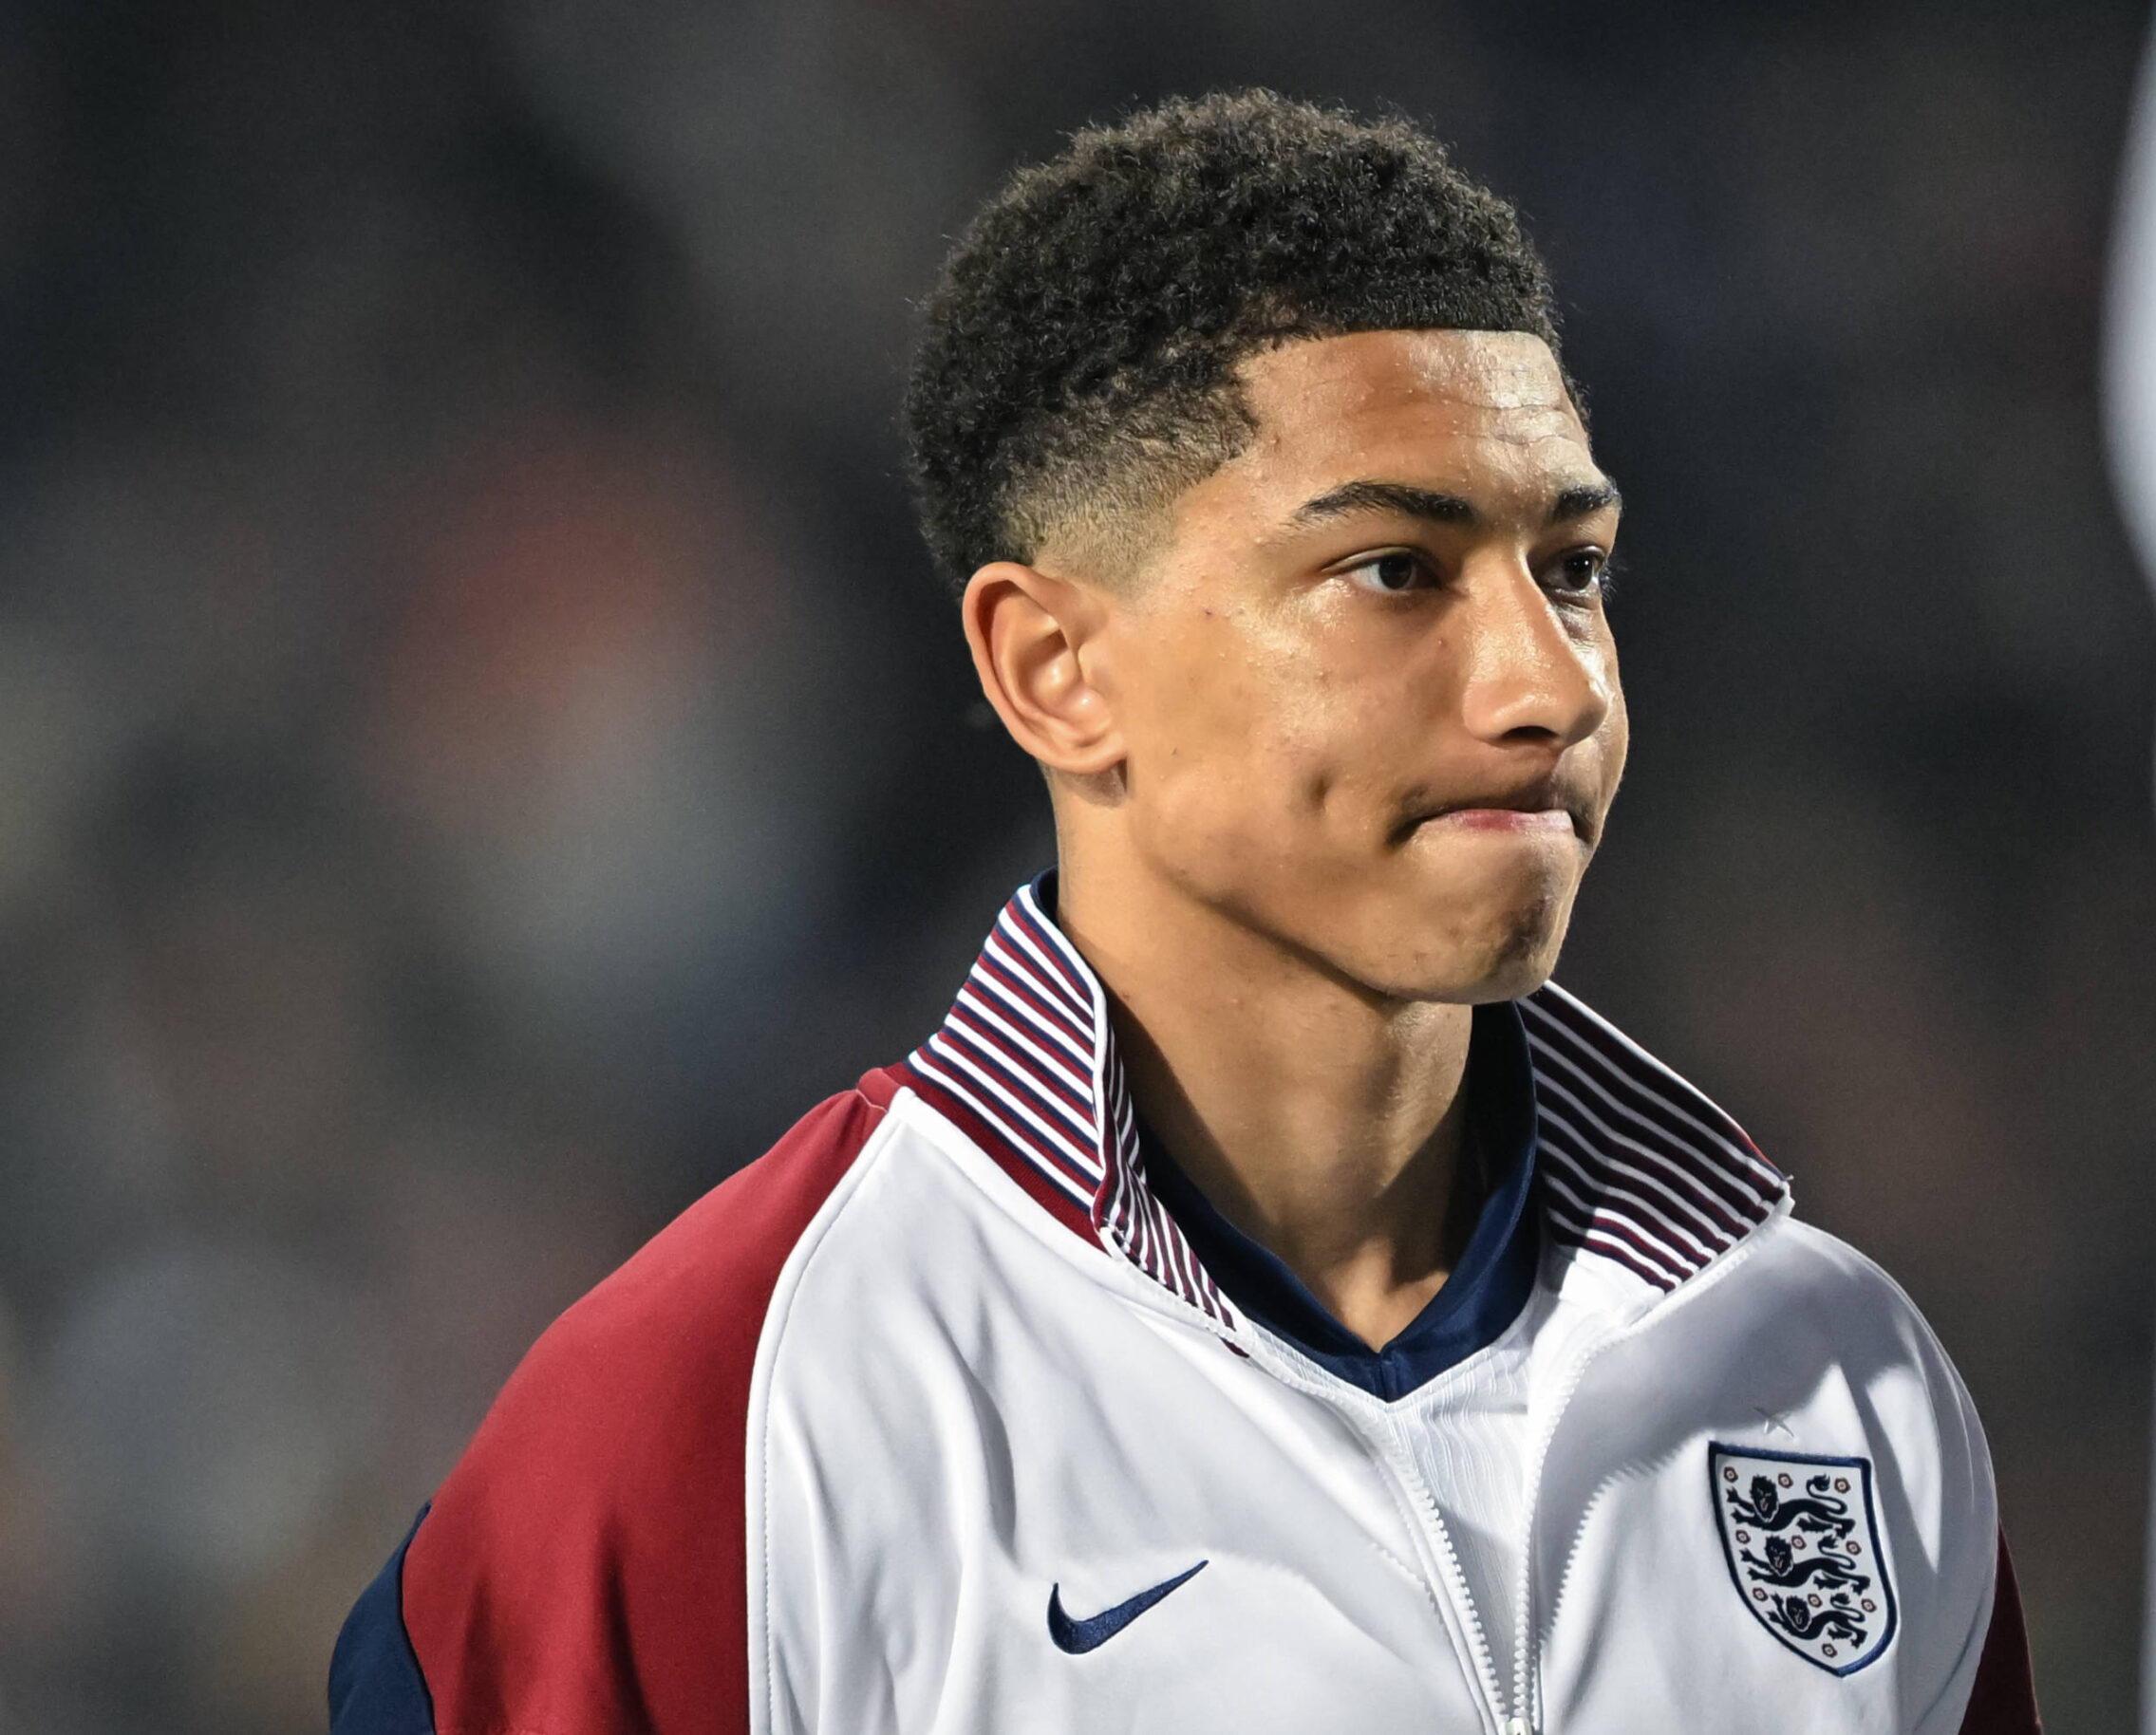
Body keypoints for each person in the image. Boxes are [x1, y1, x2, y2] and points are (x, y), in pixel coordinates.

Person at [329, 91, 2038, 1735]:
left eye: (1571, 571)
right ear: (1059, 672)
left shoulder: (1835, 1370)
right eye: (1394, 572)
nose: (1546, 685)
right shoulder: (719, 1413)